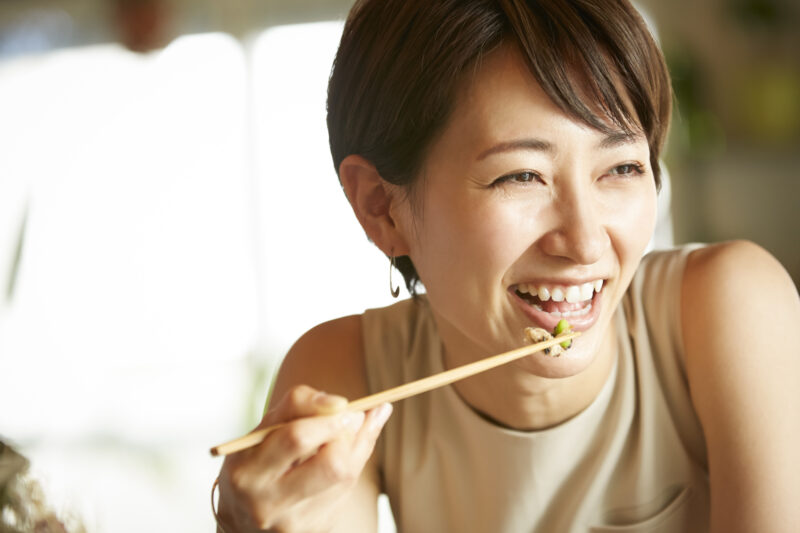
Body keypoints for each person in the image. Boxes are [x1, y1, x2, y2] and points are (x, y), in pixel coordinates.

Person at [214, 0, 800, 531]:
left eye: (621, 167)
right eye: (521, 176)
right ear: (381, 206)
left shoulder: (733, 308)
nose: (586, 242)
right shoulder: (347, 378)